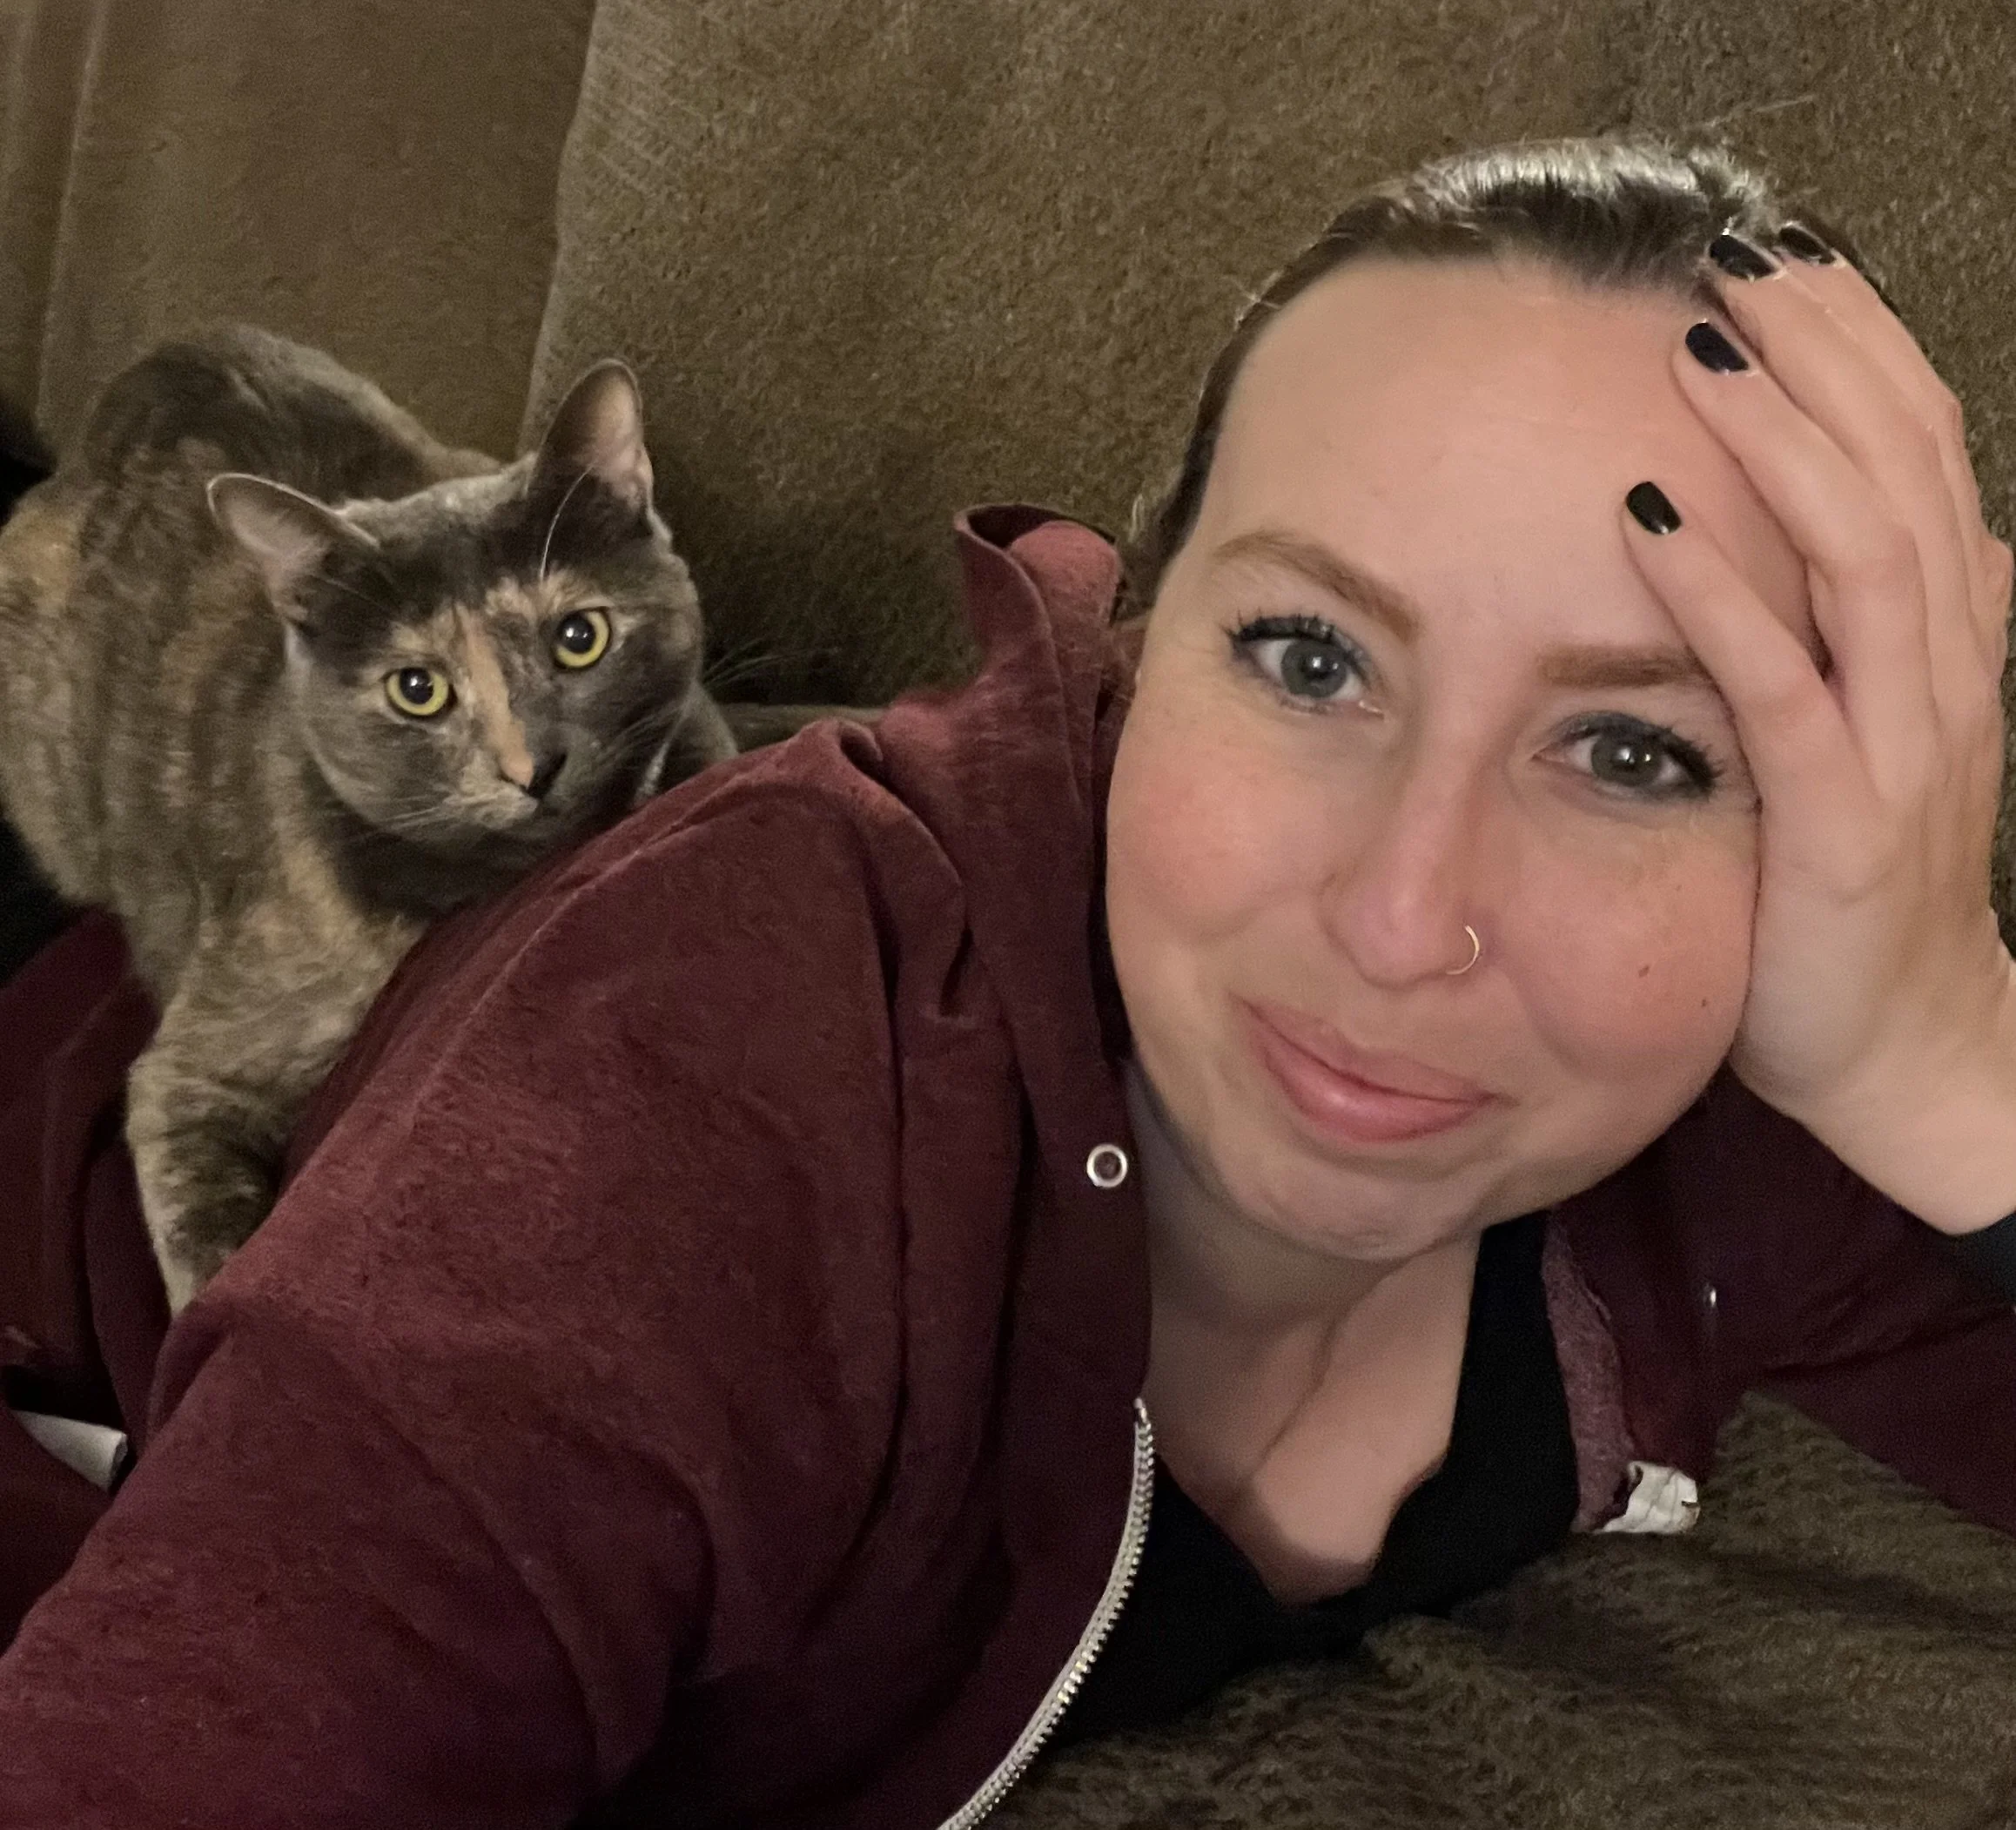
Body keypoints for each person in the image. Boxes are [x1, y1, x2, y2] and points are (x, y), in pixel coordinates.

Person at [2, 135, 2015, 1827]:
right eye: (1311, 658)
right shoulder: (706, 1087)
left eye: (1638, 751)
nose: (1406, 922)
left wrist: (1944, 1060)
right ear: (1141, 641)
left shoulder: (1757, 1089)